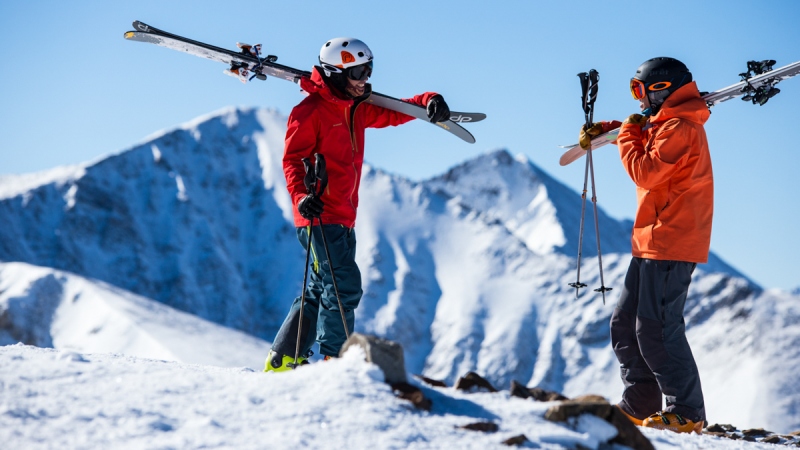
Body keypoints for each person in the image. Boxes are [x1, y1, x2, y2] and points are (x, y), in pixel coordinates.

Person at [265, 37, 450, 372]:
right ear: (335, 74)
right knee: (343, 287)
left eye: (369, 70)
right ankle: (334, 362)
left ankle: (283, 358)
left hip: (344, 216)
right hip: (318, 214)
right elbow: (293, 160)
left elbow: (396, 111)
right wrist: (302, 197)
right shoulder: (309, 111)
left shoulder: (356, 108)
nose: (365, 79)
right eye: (358, 72)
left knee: (320, 290)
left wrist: (428, 101)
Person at [580, 57, 712, 433]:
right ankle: (641, 402)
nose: (638, 101)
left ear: (662, 89)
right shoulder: (666, 123)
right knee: (625, 324)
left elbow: (646, 171)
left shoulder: (682, 127)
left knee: (656, 328)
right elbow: (646, 133)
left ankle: (687, 412)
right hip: (652, 238)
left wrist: (625, 135)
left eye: (641, 91)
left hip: (673, 238)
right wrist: (613, 128)